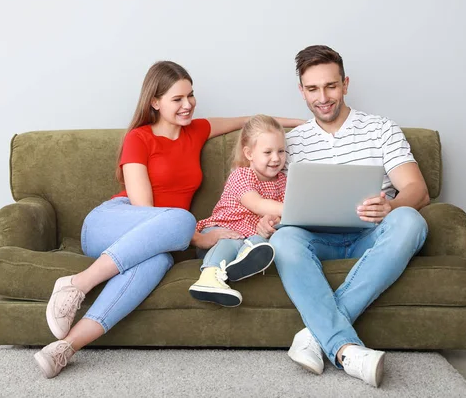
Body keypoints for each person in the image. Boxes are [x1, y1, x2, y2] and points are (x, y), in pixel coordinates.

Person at [33, 61, 304, 378]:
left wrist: (301, 124)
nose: (188, 104)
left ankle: (66, 348)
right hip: (112, 223)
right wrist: (199, 238)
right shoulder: (139, 138)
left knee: (159, 261)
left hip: (160, 243)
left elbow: (248, 122)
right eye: (178, 99)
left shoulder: (197, 131)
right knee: (182, 219)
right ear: (155, 102)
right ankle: (76, 285)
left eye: (191, 95)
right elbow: (144, 211)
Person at [257, 45, 430, 387]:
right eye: (312, 89)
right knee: (284, 239)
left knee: (411, 220)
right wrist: (269, 221)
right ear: (302, 91)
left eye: (331, 86)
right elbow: (272, 199)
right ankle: (345, 349)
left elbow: (417, 190)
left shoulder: (381, 129)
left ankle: (316, 335)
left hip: (373, 233)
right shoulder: (291, 142)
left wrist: (391, 206)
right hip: (315, 238)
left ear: (345, 84)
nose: (323, 97)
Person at [189, 115, 288, 307]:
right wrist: (296, 209)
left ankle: (238, 266)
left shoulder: (283, 182)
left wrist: (270, 224)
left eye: (281, 151)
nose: (276, 158)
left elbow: (276, 217)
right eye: (268, 152)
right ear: (249, 153)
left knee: (261, 244)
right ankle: (209, 276)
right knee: (230, 241)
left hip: (249, 239)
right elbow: (257, 204)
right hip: (219, 232)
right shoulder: (241, 175)